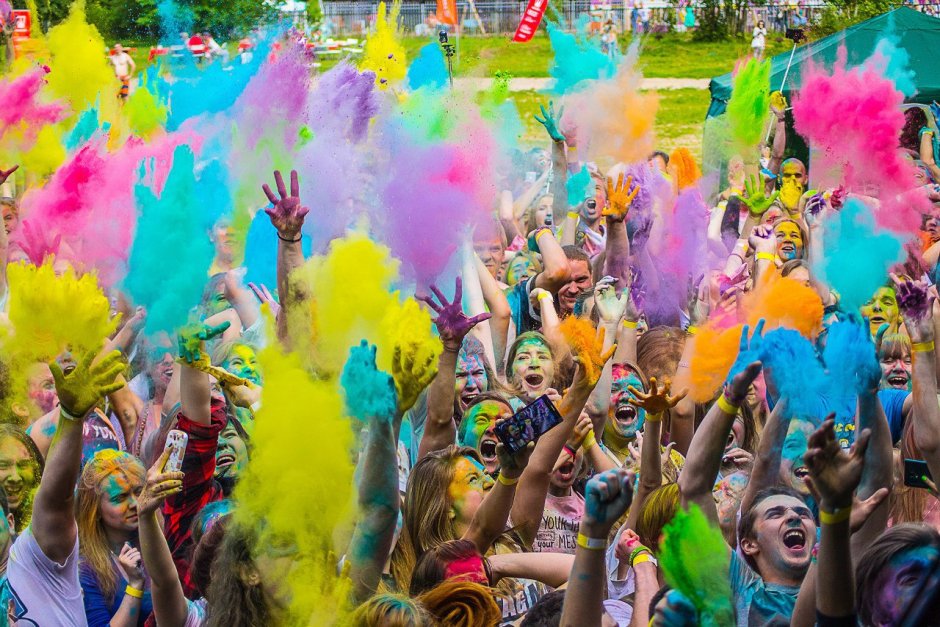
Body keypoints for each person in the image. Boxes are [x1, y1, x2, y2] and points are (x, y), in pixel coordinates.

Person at [77, 449, 152, 626]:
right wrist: (135, 585)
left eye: (138, 492)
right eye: (121, 497)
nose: (135, 504)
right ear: (94, 510)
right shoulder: (85, 569)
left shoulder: (157, 542)